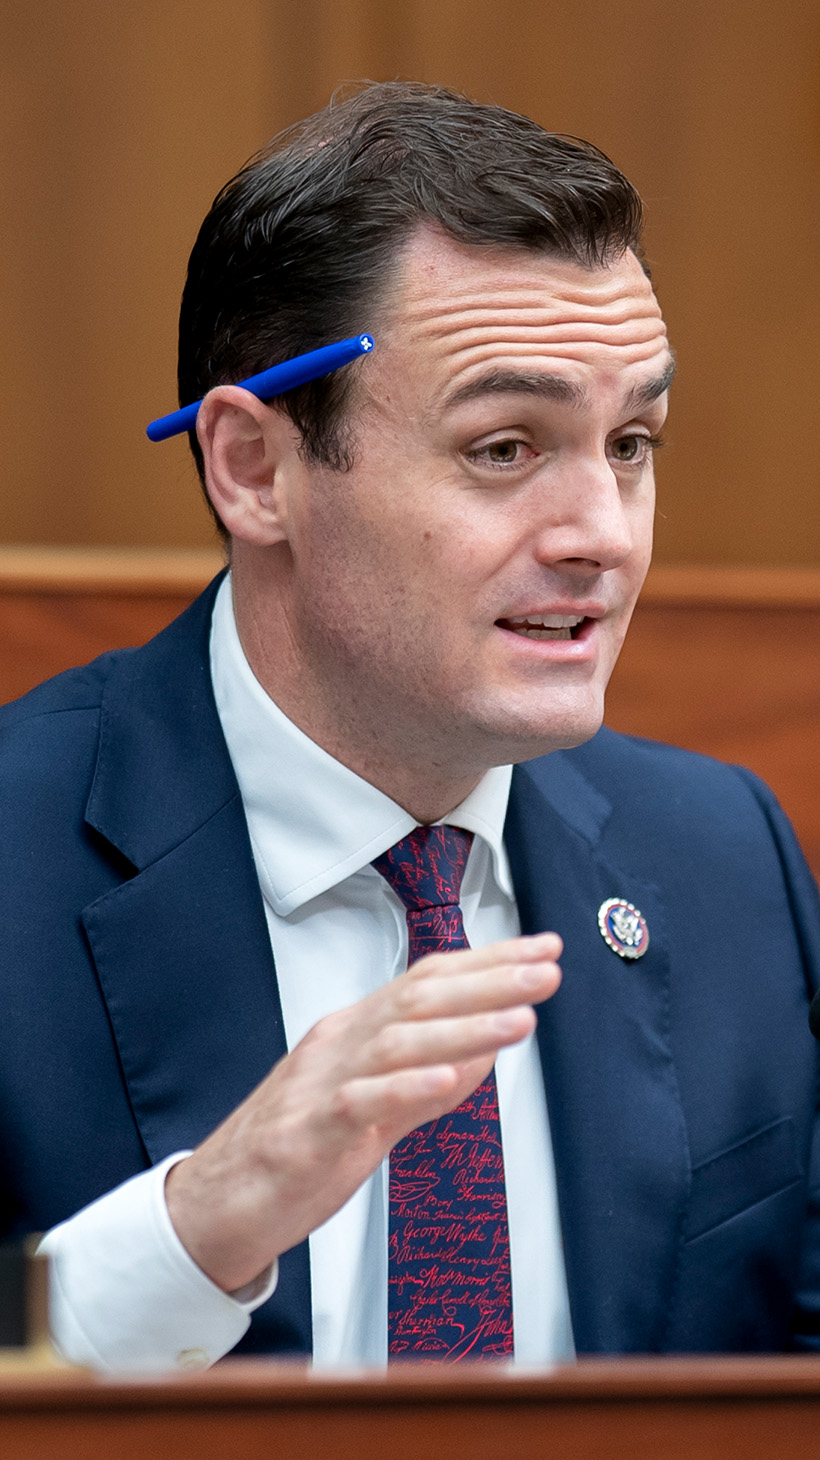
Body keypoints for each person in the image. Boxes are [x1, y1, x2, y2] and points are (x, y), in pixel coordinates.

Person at [2, 81, 820, 1372]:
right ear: (255, 469)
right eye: (504, 447)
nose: (603, 535)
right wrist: (190, 1233)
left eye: (632, 444)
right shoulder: (16, 862)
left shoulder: (726, 864)